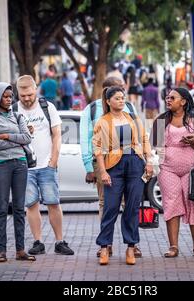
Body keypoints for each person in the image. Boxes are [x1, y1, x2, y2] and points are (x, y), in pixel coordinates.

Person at [80, 76, 143, 258]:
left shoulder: (129, 108)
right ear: (106, 92)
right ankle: (106, 245)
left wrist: (145, 159)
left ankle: (132, 243)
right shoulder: (92, 110)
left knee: (129, 204)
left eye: (122, 90)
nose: (121, 95)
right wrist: (90, 167)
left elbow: (140, 136)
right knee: (107, 204)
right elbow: (86, 140)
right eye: (116, 91)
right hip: (104, 163)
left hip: (129, 161)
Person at [93, 86, 153, 265]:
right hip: (114, 166)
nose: (121, 101)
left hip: (135, 163)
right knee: (110, 207)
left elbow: (145, 140)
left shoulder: (133, 119)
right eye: (117, 98)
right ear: (108, 101)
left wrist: (149, 161)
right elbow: (98, 149)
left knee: (132, 208)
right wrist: (103, 171)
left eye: (122, 98)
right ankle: (104, 247)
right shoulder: (103, 121)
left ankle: (130, 247)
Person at [15, 75, 75, 256]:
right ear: (18, 92)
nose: (26, 98)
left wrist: (53, 161)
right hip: (25, 167)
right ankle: (38, 242)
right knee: (31, 205)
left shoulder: (47, 107)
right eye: (23, 95)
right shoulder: (12, 111)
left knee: (53, 203)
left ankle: (59, 241)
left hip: (47, 165)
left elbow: (57, 135)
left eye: (30, 94)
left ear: (35, 90)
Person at [151, 88, 194, 258]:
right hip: (167, 169)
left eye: (172, 98)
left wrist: (193, 142)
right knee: (171, 203)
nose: (168, 100)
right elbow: (156, 147)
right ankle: (173, 246)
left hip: (191, 170)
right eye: (167, 97)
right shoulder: (161, 120)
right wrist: (154, 164)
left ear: (183, 102)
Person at [0, 82, 35, 263]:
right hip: (1, 165)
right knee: (2, 208)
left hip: (20, 164)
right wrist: (18, 140)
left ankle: (20, 250)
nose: (8, 99)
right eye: (5, 96)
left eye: (10, 96)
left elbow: (28, 138)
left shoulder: (18, 116)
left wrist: (7, 136)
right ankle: (2, 251)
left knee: (20, 208)